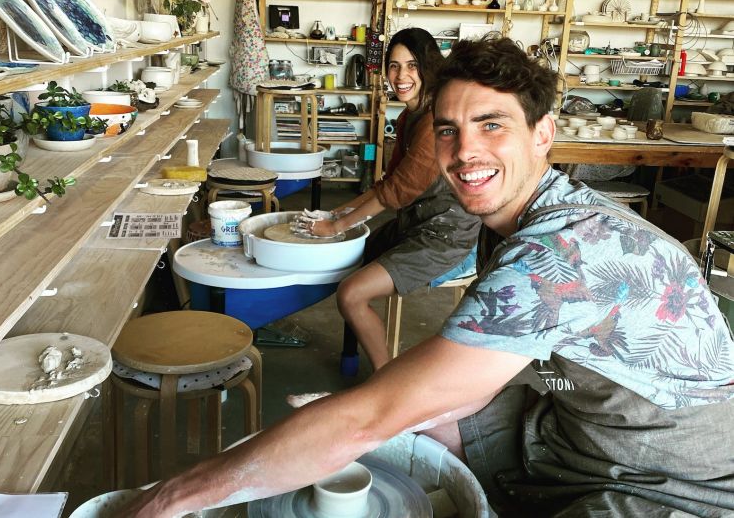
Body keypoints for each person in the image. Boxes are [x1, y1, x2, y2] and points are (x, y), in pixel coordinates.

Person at [121, 37, 734, 518]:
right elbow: (472, 376)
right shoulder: (522, 221)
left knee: (368, 427)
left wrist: (164, 500)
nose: (465, 152)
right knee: (401, 426)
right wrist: (377, 414)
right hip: (576, 422)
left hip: (674, 479)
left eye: (492, 125)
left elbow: (369, 420)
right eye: (449, 130)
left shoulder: (563, 253)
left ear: (543, 134)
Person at [303, 27, 481, 372]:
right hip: (418, 222)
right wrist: (336, 211)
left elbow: (397, 192)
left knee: (352, 293)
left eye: (412, 66)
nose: (401, 76)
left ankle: (383, 379)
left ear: (430, 68)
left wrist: (338, 224)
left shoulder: (435, 122)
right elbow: (390, 182)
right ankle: (351, 353)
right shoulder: (408, 116)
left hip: (449, 236)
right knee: (352, 257)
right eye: (394, 66)